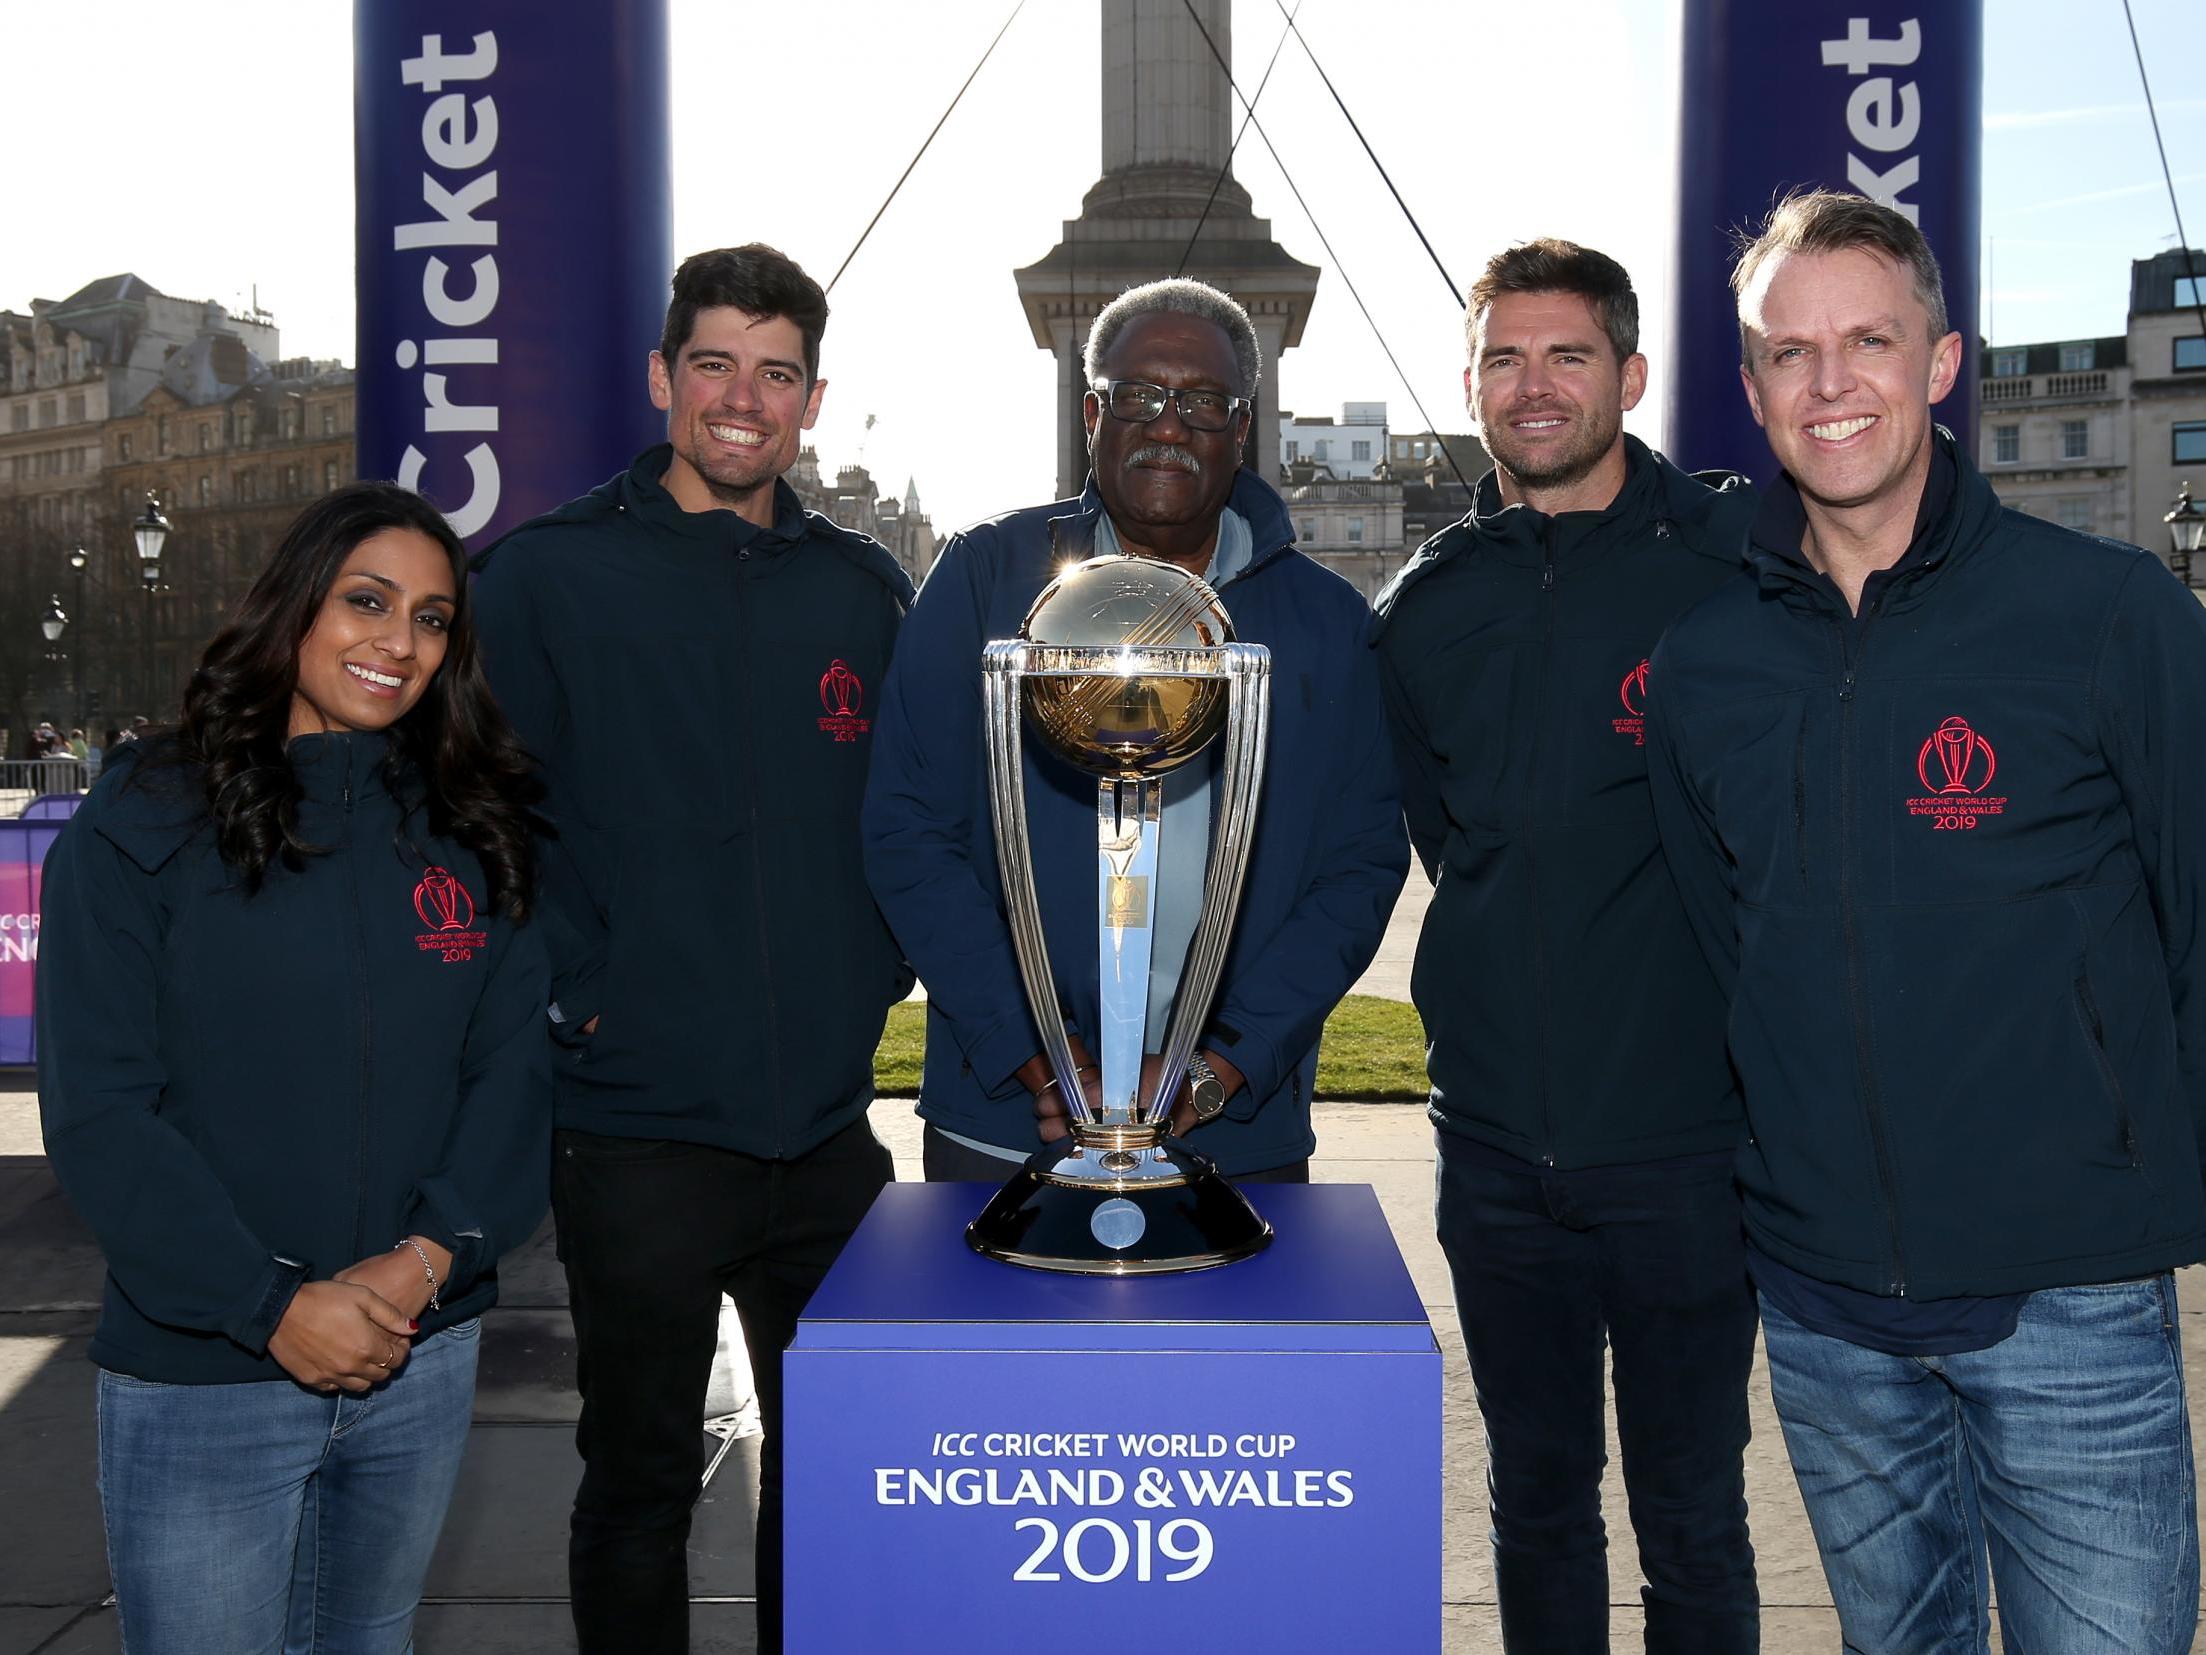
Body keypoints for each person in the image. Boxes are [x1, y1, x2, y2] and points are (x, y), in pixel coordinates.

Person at [1647, 188, 2206, 1652]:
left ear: (1941, 362)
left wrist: (2145, 1183)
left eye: (1868, 341)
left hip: (2068, 1293)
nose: (1829, 385)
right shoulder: (1703, 666)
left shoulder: (2108, 615)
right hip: (1826, 1312)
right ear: (1751, 381)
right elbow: (1728, 950)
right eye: (1788, 351)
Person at [470, 243, 911, 1655]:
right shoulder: (545, 577)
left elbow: (902, 819)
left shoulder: (861, 590)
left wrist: (871, 966)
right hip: (638, 1129)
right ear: (664, 377)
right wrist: (580, 999)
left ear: (813, 398)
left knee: (839, 1478)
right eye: (713, 362)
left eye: (775, 372)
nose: (743, 397)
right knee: (644, 1481)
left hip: (826, 1134)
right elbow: (483, 821)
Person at [36, 482, 552, 1653]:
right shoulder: (146, 813)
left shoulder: (473, 822)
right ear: (293, 604)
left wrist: (428, 1258)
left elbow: (512, 1078)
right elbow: (103, 1110)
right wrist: (269, 1303)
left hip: (419, 1354)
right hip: (206, 1372)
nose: (398, 641)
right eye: (367, 600)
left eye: (431, 619)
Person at [1370, 241, 1759, 1653]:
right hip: (1490, 1152)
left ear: (1631, 375)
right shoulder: (1424, 602)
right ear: (1468, 382)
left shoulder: (1735, 566)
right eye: (1503, 359)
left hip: (1683, 1149)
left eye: (1566, 355)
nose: (1533, 388)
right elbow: (1443, 835)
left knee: (1692, 1514)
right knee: (1534, 1501)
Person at [864, 276, 1405, 1183]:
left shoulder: (1327, 622)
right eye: (1139, 396)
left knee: (1224, 1335)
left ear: (1243, 426)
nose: (1168, 425)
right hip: (1009, 1120)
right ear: (1091, 413)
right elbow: (909, 829)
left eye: (1203, 402)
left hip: (1233, 1137)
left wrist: (1222, 1064)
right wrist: (1030, 1047)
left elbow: (1357, 866)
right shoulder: (987, 579)